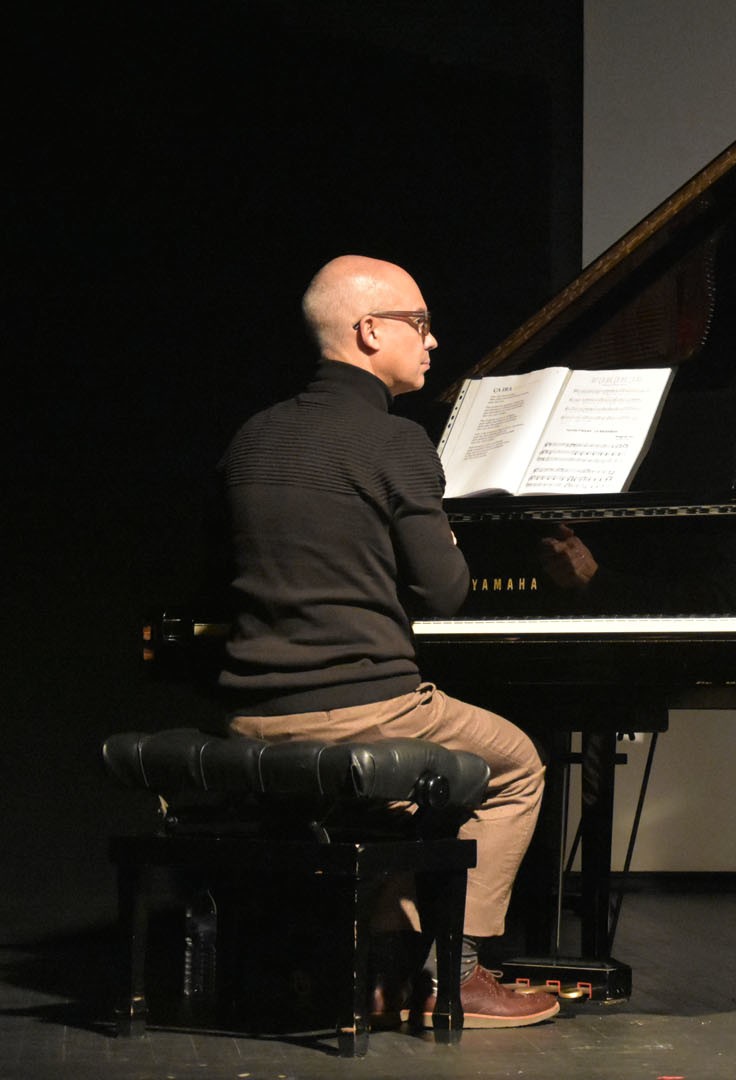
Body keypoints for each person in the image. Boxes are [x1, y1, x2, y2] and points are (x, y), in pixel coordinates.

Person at [218, 254, 559, 1030]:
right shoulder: (395, 441)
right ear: (369, 330)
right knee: (515, 766)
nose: (432, 341)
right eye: (420, 323)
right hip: (360, 708)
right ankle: (458, 975)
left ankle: (381, 974)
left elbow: (219, 578)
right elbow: (443, 592)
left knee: (413, 792)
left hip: (250, 715)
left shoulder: (252, 436)